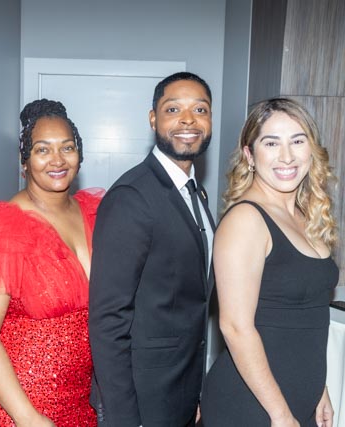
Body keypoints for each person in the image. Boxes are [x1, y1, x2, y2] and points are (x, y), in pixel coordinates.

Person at [0, 99, 102, 426]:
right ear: (25, 161)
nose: (57, 159)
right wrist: (27, 417)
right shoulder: (0, 229)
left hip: (78, 397)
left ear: (80, 155)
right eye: (43, 150)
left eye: (67, 147)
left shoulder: (95, 215)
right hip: (14, 405)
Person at [200, 98, 338, 427]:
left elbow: (304, 320)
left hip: (296, 399)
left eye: (298, 141)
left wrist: (319, 388)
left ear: (312, 150)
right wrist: (280, 413)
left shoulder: (304, 215)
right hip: (253, 406)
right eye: (271, 143)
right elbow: (235, 327)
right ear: (249, 155)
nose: (286, 156)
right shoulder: (246, 219)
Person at [89, 71, 216, 427]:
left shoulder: (195, 193)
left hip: (181, 391)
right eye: (173, 109)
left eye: (200, 110)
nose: (188, 120)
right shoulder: (132, 197)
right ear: (152, 119)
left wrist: (197, 391)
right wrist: (125, 418)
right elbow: (108, 318)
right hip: (142, 400)